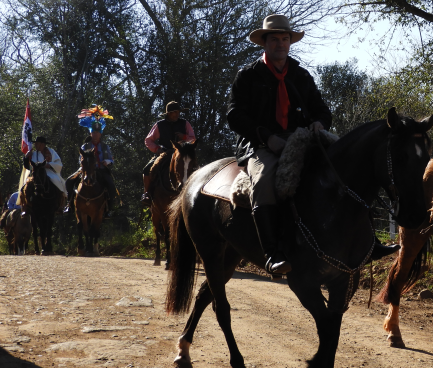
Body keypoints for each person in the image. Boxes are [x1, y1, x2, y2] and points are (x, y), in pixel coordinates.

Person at [227, 14, 401, 275]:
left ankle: (368, 243)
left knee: (348, 170)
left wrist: (319, 123)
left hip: (302, 140)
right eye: (274, 39)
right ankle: (272, 253)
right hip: (261, 144)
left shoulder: (300, 75)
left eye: (285, 39)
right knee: (264, 182)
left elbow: (323, 110)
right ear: (264, 43)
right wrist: (266, 137)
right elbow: (234, 115)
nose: (280, 44)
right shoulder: (248, 76)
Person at [141, 102, 196, 206]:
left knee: (195, 168)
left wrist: (184, 137)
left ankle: (197, 193)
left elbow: (193, 138)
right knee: (147, 170)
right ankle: (147, 193)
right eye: (173, 112)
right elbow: (148, 140)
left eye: (178, 112)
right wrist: (157, 149)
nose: (176, 114)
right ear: (168, 114)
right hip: (165, 152)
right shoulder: (159, 125)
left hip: (182, 153)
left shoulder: (185, 123)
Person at [65, 122, 117, 216]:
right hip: (85, 170)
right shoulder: (85, 146)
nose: (95, 134)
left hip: (101, 170)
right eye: (93, 132)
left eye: (97, 132)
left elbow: (111, 159)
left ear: (100, 134)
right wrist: (84, 165)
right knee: (69, 181)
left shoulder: (105, 147)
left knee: (111, 185)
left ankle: (109, 209)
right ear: (90, 133)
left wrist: (107, 162)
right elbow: (79, 160)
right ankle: (69, 205)